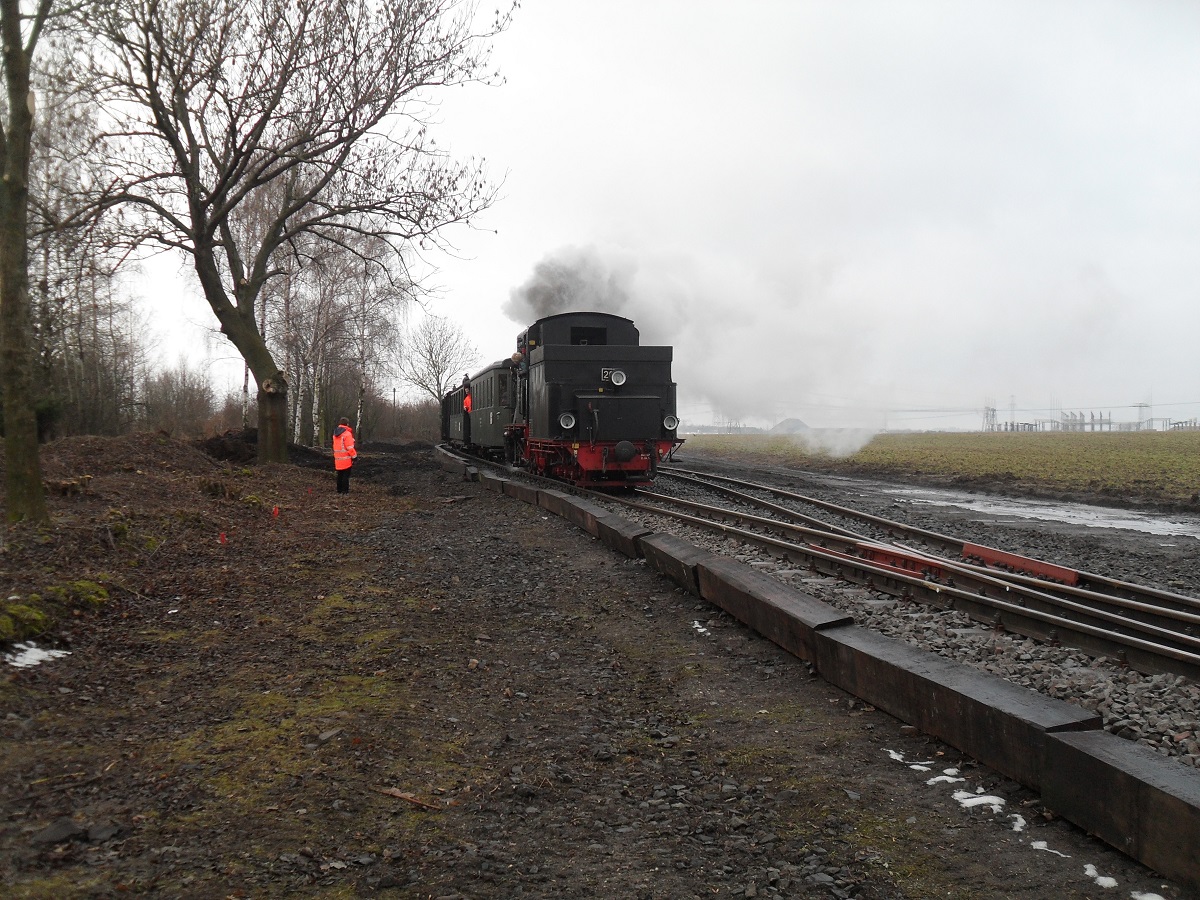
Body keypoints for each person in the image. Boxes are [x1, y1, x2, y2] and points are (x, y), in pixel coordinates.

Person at [332, 417, 357, 494]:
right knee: (346, 476)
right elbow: (349, 447)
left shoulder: (335, 434)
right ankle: (345, 491)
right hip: (346, 459)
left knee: (339, 475)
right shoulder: (347, 434)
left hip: (337, 458)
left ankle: (339, 490)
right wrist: (354, 456)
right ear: (347, 424)